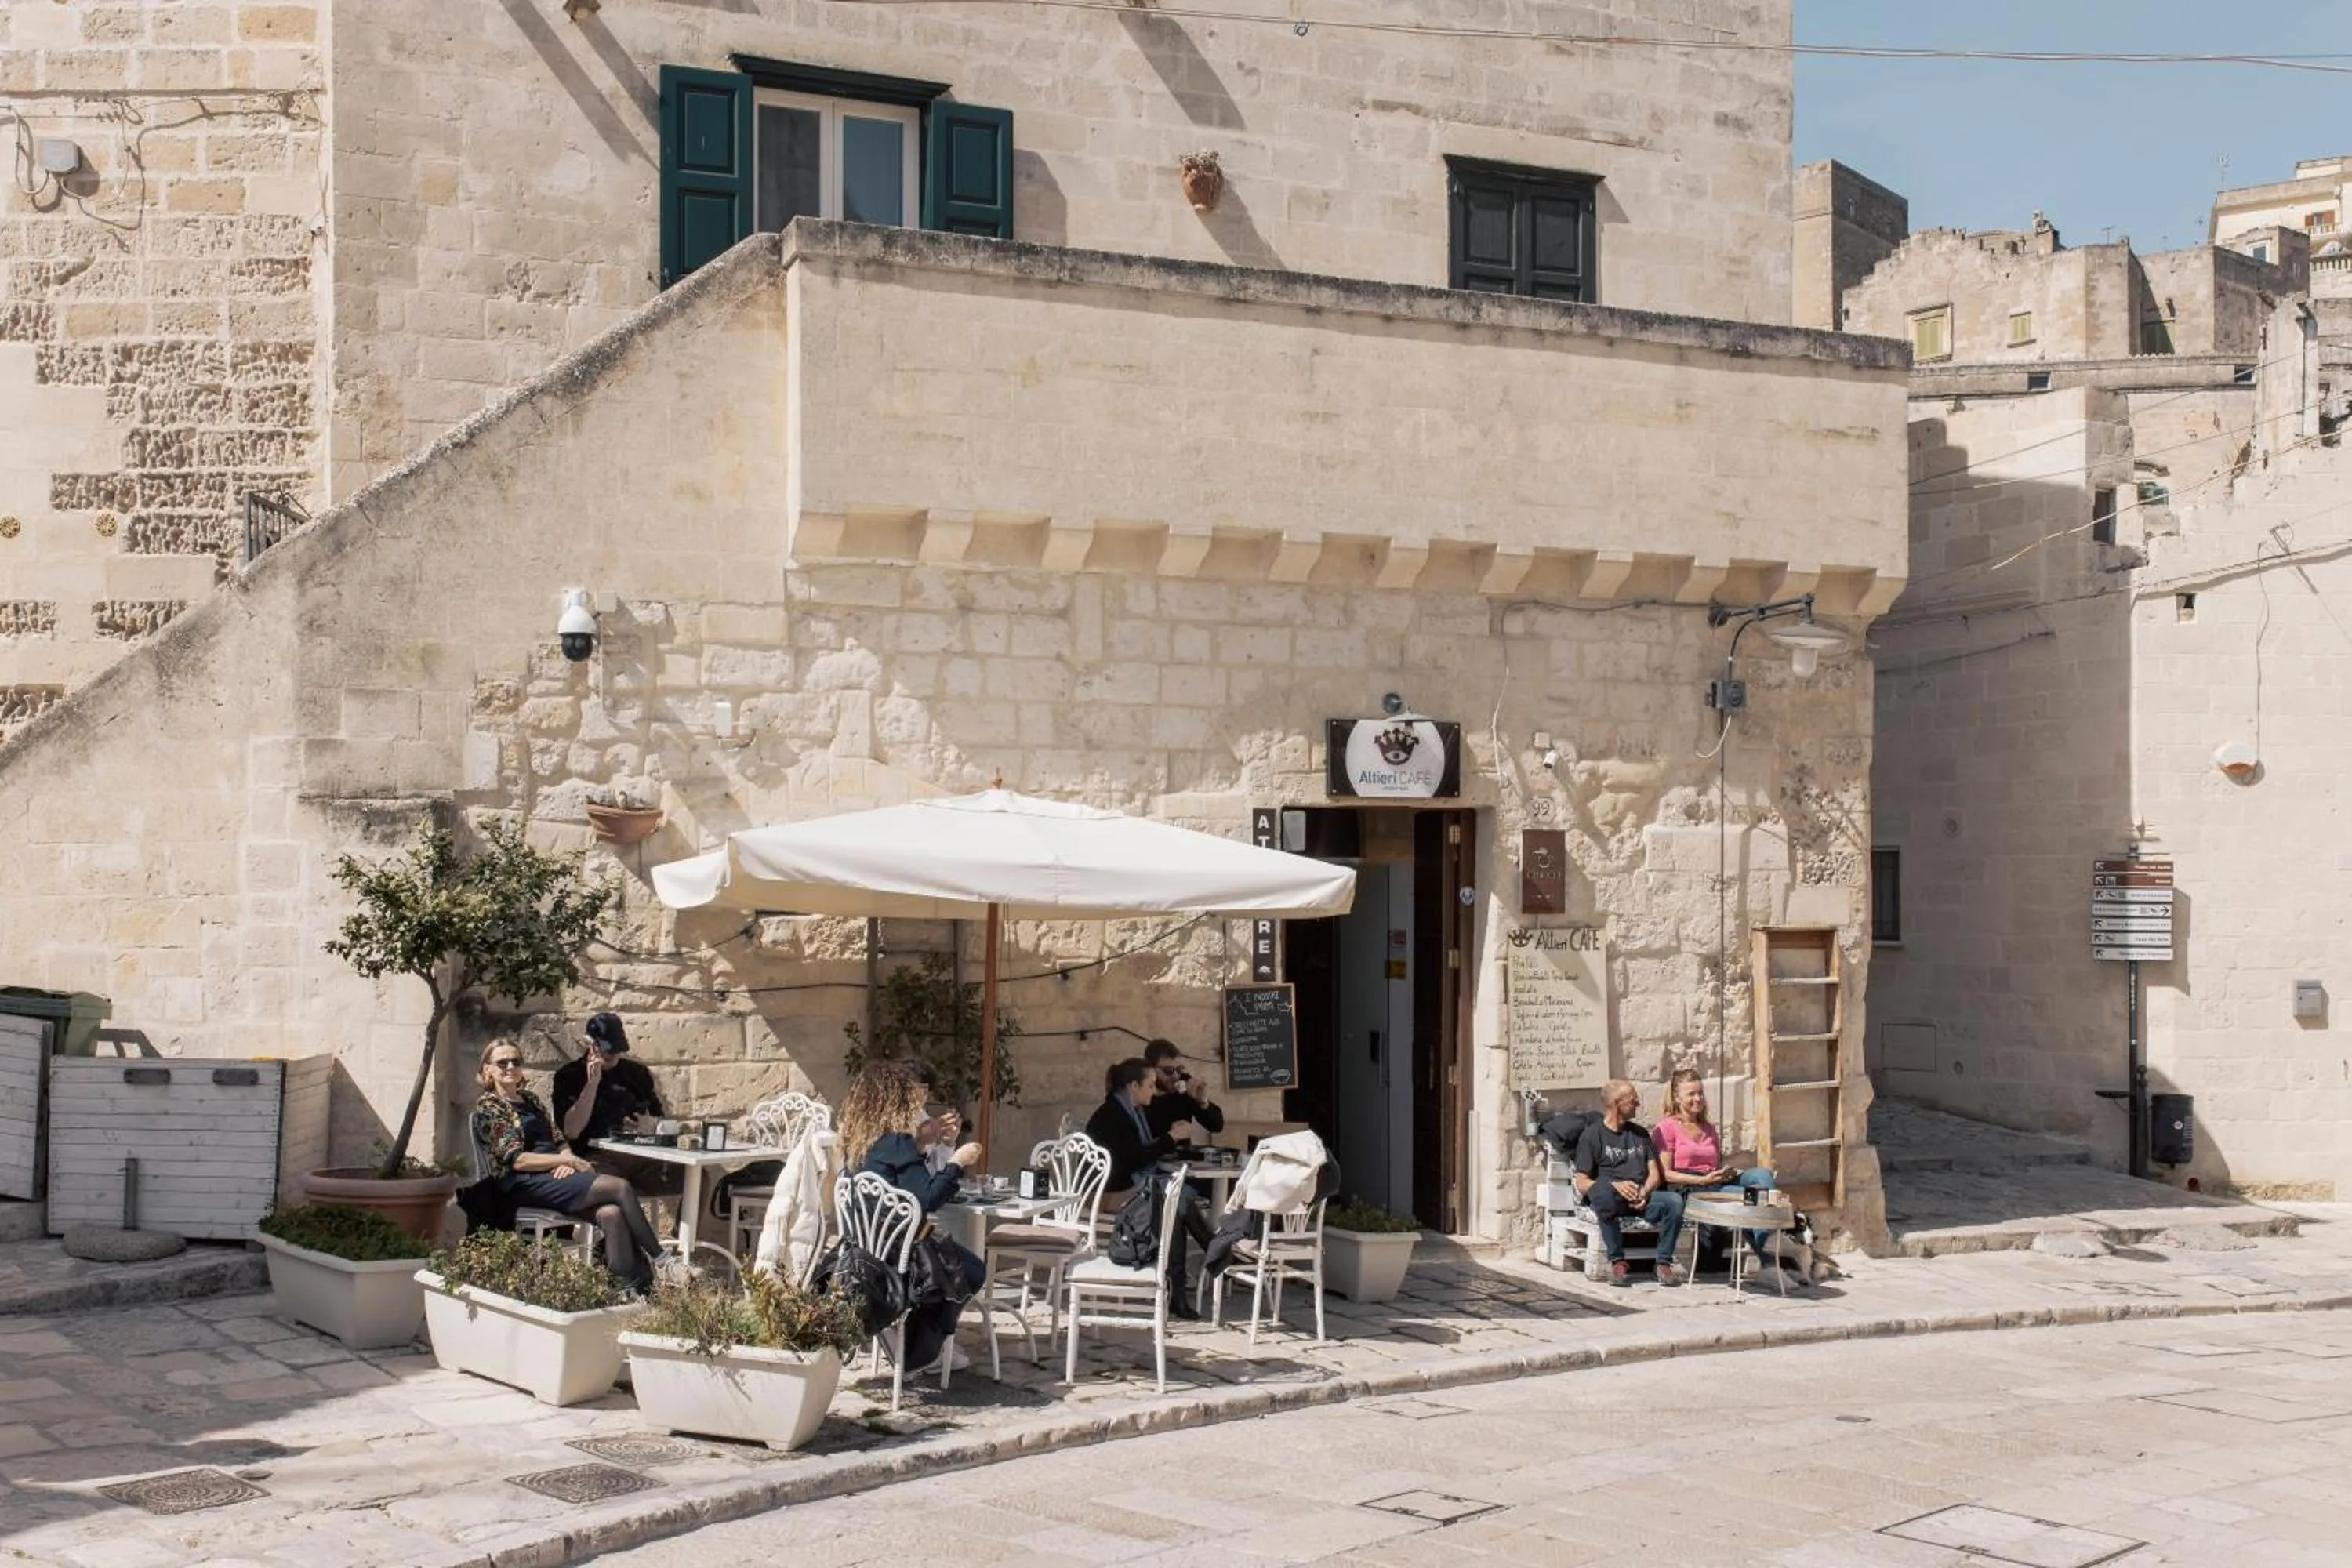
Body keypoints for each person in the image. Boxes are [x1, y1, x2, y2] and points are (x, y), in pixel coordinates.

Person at [471, 1040, 662, 1292]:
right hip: (522, 1183)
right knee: (619, 1187)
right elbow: (517, 1159)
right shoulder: (489, 1107)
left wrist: (567, 1159)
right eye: (502, 1062)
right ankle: (662, 1260)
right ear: (488, 1069)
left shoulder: (530, 1099)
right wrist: (566, 1160)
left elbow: (559, 1138)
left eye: (515, 1061)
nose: (510, 1067)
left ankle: (629, 1289)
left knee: (611, 1214)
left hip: (555, 1176)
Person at [837, 1060, 986, 1374]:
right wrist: (957, 1163)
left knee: (951, 1261)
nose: (920, 1100)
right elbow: (927, 1198)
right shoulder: (896, 1141)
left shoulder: (862, 1139)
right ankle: (920, 1351)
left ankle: (910, 1338)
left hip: (865, 1247)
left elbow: (902, 1184)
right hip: (899, 1250)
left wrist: (926, 1143)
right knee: (970, 1270)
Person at [1085, 1057, 1214, 1317]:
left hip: (1126, 1184)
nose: (1154, 1092)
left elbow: (1142, 1152)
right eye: (1150, 1086)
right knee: (1171, 1197)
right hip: (1107, 1193)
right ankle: (1214, 1251)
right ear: (1134, 1086)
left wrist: (1171, 1134)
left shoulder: (1132, 1111)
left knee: (1173, 1202)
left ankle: (1178, 1291)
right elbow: (1137, 1157)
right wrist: (1170, 1138)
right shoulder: (1113, 1115)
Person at [1653, 1069, 1784, 1281]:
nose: (1698, 1099)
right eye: (1691, 1094)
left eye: (1701, 1093)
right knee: (1748, 1198)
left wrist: (1722, 1174)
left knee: (1762, 1176)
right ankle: (1768, 1258)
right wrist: (1702, 1180)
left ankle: (1764, 1239)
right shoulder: (1666, 1128)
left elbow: (1712, 1165)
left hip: (1713, 1181)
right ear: (1677, 1097)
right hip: (1689, 1187)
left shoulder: (1708, 1128)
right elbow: (1666, 1175)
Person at [550, 1013, 684, 1200]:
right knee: (615, 1187)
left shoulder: (636, 1073)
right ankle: (631, 1230)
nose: (613, 1055)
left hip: (639, 1156)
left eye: (617, 1049)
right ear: (591, 1045)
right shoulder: (569, 1076)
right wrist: (592, 1084)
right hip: (597, 1157)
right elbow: (571, 1131)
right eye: (607, 1050)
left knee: (695, 1178)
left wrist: (650, 1126)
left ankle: (681, 1231)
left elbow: (662, 1121)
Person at [1570, 1076, 1684, 1287]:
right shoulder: (1592, 1136)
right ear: (1616, 1104)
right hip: (1612, 1200)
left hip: (1642, 1199)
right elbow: (1582, 1182)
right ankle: (1618, 1262)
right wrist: (1614, 1186)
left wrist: (1645, 1191)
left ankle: (1663, 1263)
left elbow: (1654, 1174)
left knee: (1674, 1202)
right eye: (1633, 1100)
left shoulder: (1639, 1134)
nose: (1638, 1104)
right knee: (1602, 1195)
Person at [1142, 1039, 1225, 1146]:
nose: (1176, 1076)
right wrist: (1172, 1135)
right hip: (1152, 1158)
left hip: (1182, 1158)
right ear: (1151, 1069)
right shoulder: (1141, 1093)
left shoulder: (1185, 1084)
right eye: (1169, 1071)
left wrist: (1203, 1103)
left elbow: (1217, 1126)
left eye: (1179, 1070)